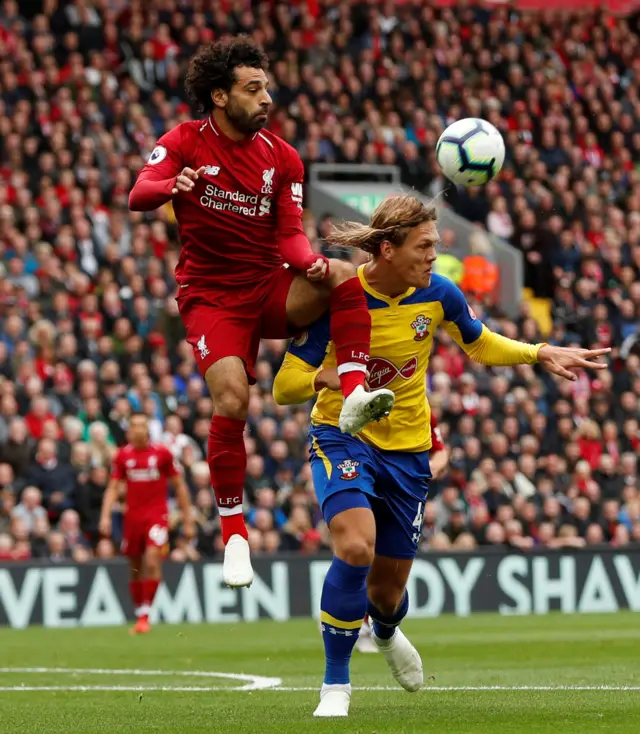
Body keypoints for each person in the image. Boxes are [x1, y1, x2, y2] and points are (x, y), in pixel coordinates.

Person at [273, 194, 610, 717]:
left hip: (409, 451)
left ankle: (384, 632)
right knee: (355, 546)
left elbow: (479, 343)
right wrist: (334, 378)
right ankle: (335, 684)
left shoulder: (438, 294)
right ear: (387, 249)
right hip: (343, 435)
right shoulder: (339, 298)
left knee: (386, 595)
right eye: (426, 245)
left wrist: (538, 352)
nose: (435, 254)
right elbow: (284, 385)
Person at [128, 35, 393, 589]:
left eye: (266, 86)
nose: (266, 97)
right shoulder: (183, 142)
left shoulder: (283, 158)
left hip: (268, 288)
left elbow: (292, 241)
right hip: (211, 300)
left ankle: (353, 395)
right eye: (254, 88)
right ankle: (234, 536)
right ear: (220, 97)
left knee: (343, 276)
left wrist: (314, 264)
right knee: (231, 399)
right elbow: (139, 192)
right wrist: (169, 185)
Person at [99, 413, 195, 635]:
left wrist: (187, 519)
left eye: (142, 425)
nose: (138, 429)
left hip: (157, 515)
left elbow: (180, 487)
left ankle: (145, 615)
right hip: (132, 517)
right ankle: (140, 610)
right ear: (129, 430)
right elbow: (113, 487)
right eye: (134, 425)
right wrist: (105, 516)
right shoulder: (122, 456)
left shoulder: (162, 453)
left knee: (152, 559)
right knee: (134, 565)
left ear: (148, 429)